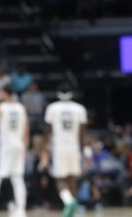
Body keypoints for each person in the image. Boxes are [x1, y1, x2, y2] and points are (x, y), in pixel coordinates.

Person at [42, 83, 87, 217]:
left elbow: (47, 131)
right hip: (74, 146)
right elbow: (82, 134)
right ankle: (73, 206)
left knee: (60, 179)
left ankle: (69, 202)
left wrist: (44, 148)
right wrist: (85, 151)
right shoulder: (80, 109)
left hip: (59, 147)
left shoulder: (52, 108)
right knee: (72, 178)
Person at [0, 84, 29, 217]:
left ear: (5, 93)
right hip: (18, 145)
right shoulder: (21, 108)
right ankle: (21, 210)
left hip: (4, 146)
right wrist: (25, 149)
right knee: (17, 178)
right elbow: (26, 132)